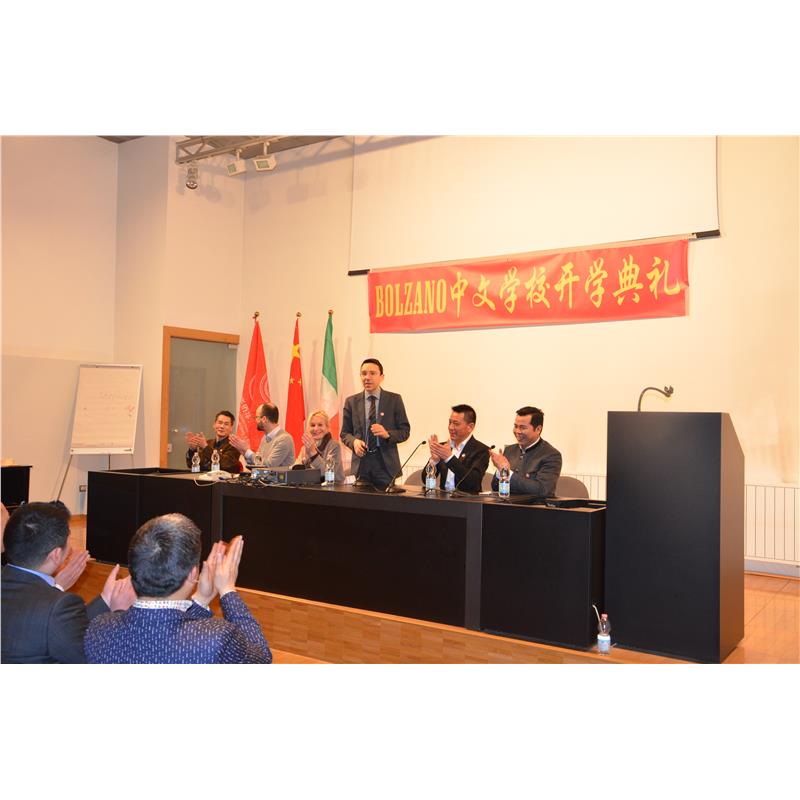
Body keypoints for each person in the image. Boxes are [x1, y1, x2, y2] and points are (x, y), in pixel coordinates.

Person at [85, 514, 272, 664]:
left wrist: (201, 599)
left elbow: (163, 638)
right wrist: (228, 591)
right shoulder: (216, 638)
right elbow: (261, 658)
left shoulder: (99, 628)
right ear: (193, 573)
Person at [1, 501, 135, 663]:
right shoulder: (56, 606)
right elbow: (94, 658)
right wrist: (117, 613)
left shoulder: (53, 608)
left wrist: (105, 599)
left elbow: (66, 629)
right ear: (56, 555)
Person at [341, 358, 411, 489]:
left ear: (382, 377)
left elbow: (405, 432)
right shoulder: (351, 402)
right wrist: (354, 442)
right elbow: (345, 433)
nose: (367, 377)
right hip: (361, 464)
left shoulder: (394, 400)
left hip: (385, 465)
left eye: (372, 373)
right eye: (364, 373)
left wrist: (387, 434)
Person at [489, 406, 562, 497]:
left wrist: (507, 473)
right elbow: (495, 487)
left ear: (538, 429)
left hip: (534, 506)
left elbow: (543, 490)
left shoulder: (551, 455)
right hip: (506, 504)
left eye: (522, 428)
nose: (517, 431)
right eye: (515, 426)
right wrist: (500, 469)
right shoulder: (509, 450)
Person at [427, 404, 491, 494]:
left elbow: (473, 482)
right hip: (443, 499)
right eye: (450, 422)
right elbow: (424, 479)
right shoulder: (443, 447)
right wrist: (434, 461)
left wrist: (449, 458)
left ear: (470, 427)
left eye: (456, 424)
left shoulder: (481, 450)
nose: (450, 427)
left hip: (467, 500)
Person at [230, 402, 295, 468]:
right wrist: (244, 452)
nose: (255, 421)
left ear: (264, 419)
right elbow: (257, 464)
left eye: (256, 417)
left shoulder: (284, 439)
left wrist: (247, 451)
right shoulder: (265, 438)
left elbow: (268, 466)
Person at [293, 409, 345, 483]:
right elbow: (295, 470)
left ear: (327, 427)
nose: (316, 429)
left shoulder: (334, 446)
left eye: (320, 425)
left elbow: (328, 474)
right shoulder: (305, 447)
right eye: (312, 425)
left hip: (333, 488)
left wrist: (313, 454)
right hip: (312, 487)